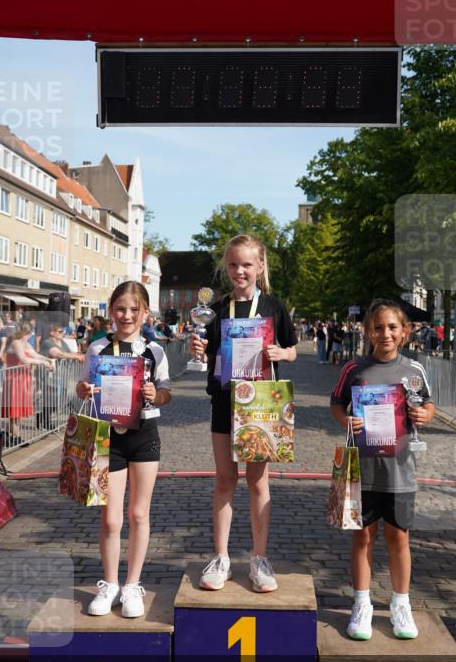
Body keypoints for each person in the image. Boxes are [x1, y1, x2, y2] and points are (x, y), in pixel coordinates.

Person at [189, 233, 297, 594]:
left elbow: (292, 350)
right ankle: (221, 558)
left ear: (260, 266)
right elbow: (208, 356)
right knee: (224, 480)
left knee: (257, 482)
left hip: (262, 403)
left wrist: (283, 355)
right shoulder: (216, 310)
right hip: (224, 400)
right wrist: (198, 350)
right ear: (226, 266)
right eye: (233, 264)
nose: (240, 271)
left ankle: (259, 559)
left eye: (247, 265)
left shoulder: (274, 308)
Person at [330, 299, 435, 642]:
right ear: (368, 331)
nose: (385, 333)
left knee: (398, 537)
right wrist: (348, 420)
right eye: (378, 327)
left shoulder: (414, 370)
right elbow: (336, 404)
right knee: (362, 537)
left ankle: (400, 603)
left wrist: (425, 416)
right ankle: (361, 603)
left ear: (405, 332)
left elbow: (427, 404)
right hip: (363, 467)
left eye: (392, 327)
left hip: (400, 470)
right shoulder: (354, 370)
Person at [77, 281, 172, 618]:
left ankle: (132, 585)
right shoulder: (97, 347)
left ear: (145, 312)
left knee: (139, 514)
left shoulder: (154, 350)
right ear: (110, 310)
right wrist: (85, 388)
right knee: (112, 518)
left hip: (144, 434)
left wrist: (153, 395)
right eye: (120, 309)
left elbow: (166, 393)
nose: (127, 315)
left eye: (134, 310)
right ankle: (109, 584)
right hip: (108, 436)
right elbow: (80, 386)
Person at [0, 323, 53, 445]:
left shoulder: (25, 343)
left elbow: (35, 354)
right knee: (15, 411)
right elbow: (23, 359)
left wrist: (47, 359)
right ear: (28, 334)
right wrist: (42, 363)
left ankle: (8, 434)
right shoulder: (16, 342)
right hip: (14, 379)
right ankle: (16, 437)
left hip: (23, 379)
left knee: (17, 411)